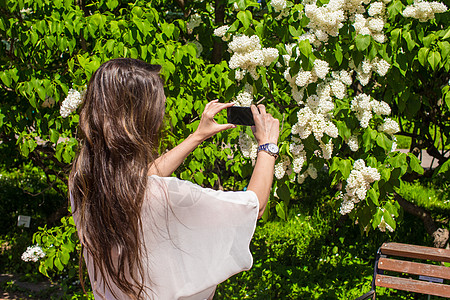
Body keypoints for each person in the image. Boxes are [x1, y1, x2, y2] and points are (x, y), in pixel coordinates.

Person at [69, 58, 280, 300]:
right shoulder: (166, 197)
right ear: (143, 118)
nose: (162, 113)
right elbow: (254, 205)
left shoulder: (83, 183)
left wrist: (197, 136)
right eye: (159, 106)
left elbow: (136, 180)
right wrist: (267, 146)